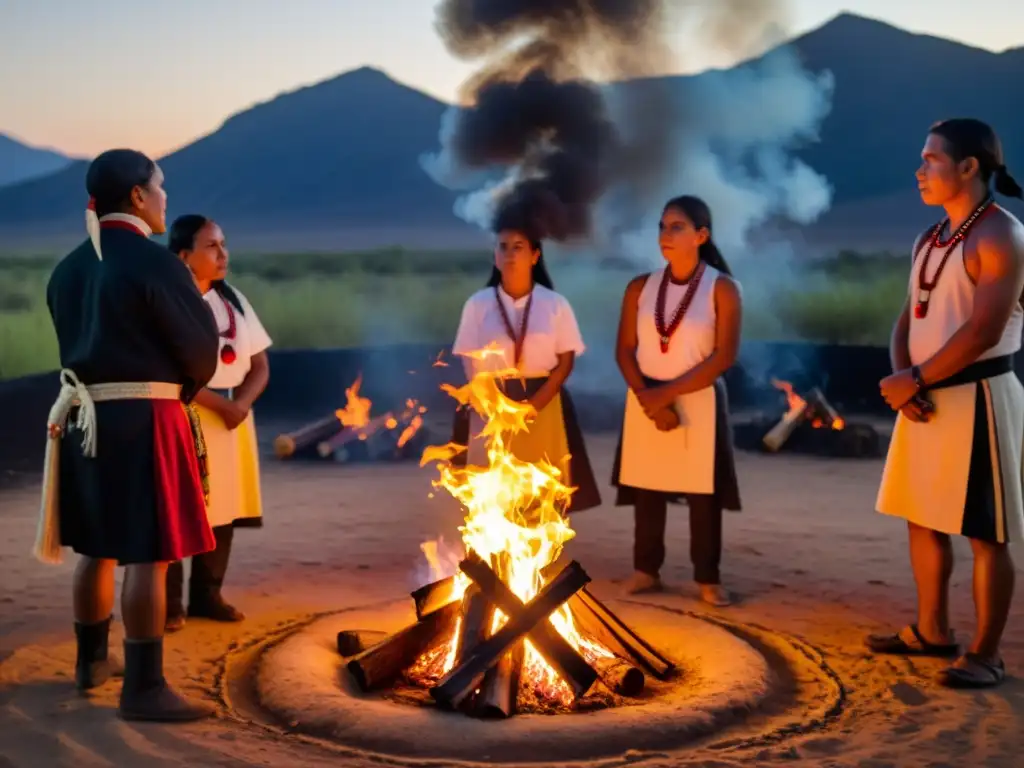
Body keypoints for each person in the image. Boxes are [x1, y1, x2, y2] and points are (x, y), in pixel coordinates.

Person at [35, 149, 220, 721]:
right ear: (138, 196)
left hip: (84, 422)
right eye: (160, 187)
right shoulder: (157, 263)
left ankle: (91, 663)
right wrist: (184, 388)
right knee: (150, 556)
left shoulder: (67, 268)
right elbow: (200, 353)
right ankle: (143, 689)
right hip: (147, 420)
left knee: (98, 549)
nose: (166, 198)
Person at [871, 118, 1024, 688]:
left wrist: (915, 379)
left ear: (969, 168)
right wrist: (903, 377)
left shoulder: (1000, 235)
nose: (919, 171)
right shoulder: (930, 239)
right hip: (926, 396)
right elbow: (908, 317)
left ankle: (987, 653)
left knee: (986, 532)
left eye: (931, 160)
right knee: (923, 516)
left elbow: (984, 331)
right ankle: (932, 631)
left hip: (980, 398)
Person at [610, 195, 743, 607]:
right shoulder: (639, 287)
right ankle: (645, 570)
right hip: (645, 394)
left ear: (701, 236)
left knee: (704, 494)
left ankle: (708, 577)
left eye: (677, 227)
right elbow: (624, 350)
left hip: (697, 397)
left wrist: (662, 397)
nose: (666, 235)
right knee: (648, 487)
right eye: (663, 226)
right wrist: (648, 399)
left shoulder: (722, 288)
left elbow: (724, 356)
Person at [450, 213, 602, 514]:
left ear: (534, 255)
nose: (509, 254)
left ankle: (541, 558)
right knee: (492, 495)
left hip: (543, 402)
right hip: (492, 405)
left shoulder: (555, 304)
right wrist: (487, 404)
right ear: (495, 257)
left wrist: (534, 405)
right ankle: (489, 558)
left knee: (544, 492)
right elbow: (468, 357)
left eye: (518, 247)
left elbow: (565, 363)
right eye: (503, 247)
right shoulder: (478, 304)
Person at [164, 215, 271, 631]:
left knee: (223, 508)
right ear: (184, 255)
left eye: (223, 244)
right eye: (211, 246)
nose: (223, 253)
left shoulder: (235, 301)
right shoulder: (168, 300)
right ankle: (169, 604)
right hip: (184, 414)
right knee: (178, 508)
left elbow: (260, 364)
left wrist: (240, 404)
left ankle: (207, 596)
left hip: (232, 417)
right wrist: (219, 406)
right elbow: (166, 370)